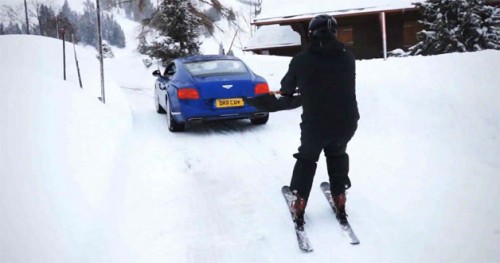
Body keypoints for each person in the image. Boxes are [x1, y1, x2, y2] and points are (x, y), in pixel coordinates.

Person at [279, 14, 360, 226]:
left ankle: (299, 203)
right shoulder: (347, 57)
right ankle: (340, 196)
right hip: (346, 121)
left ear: (311, 34)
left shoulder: (301, 60)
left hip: (316, 124)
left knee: (307, 159)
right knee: (337, 154)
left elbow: (286, 89)